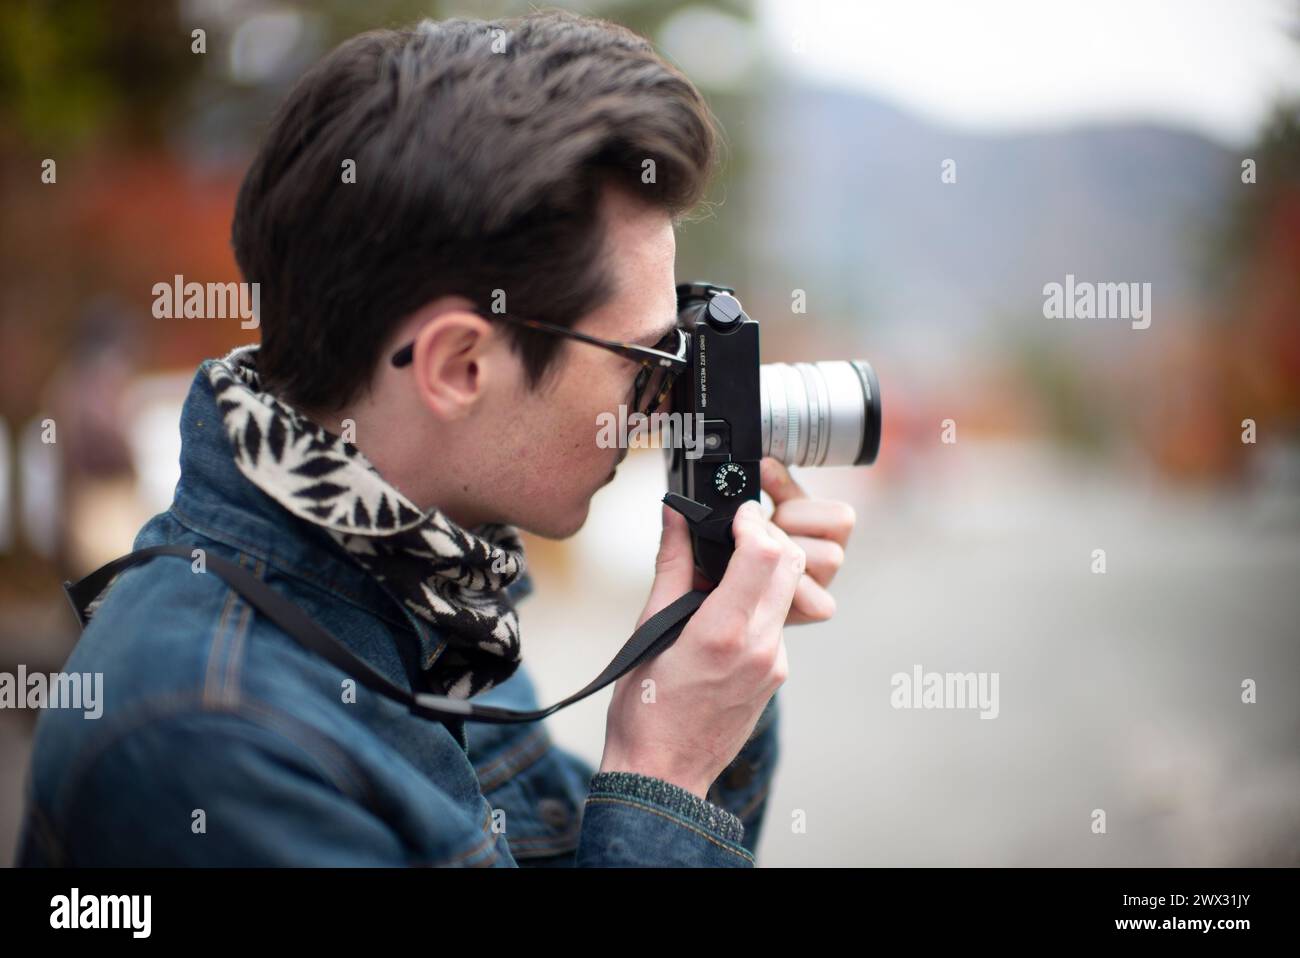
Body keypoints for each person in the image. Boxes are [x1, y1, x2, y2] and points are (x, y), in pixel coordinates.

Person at [17, 10, 855, 867]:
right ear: (458, 365)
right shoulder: (208, 746)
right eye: (644, 358)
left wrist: (709, 676)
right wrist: (660, 772)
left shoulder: (420, 587)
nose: (656, 404)